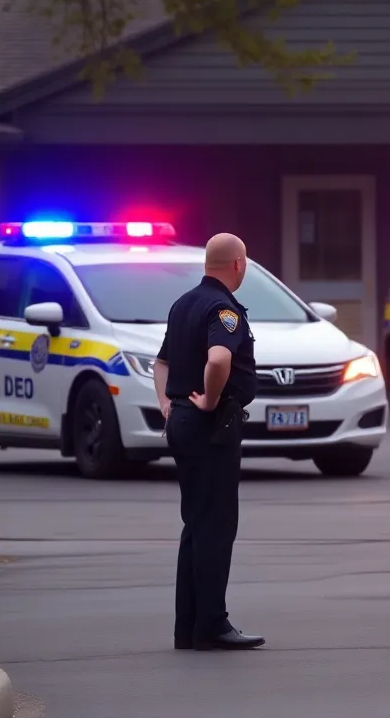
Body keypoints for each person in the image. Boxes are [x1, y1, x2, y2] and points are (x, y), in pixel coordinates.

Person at [152, 232, 264, 651]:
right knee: (216, 525)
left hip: (182, 421)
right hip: (210, 425)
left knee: (196, 524)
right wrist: (210, 399)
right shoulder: (223, 309)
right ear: (237, 264)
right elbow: (220, 358)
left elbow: (160, 362)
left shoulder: (183, 304)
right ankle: (213, 624)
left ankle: (190, 626)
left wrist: (167, 403)